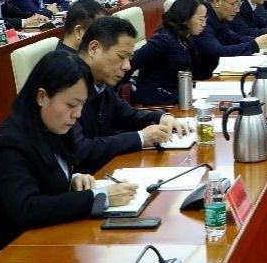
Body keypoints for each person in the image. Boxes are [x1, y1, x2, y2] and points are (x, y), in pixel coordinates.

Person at [0, 50, 138, 263]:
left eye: (82, 104)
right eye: (71, 105)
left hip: (50, 246)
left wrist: (72, 180)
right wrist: (100, 197)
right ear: (42, 96)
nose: (77, 114)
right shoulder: (9, 144)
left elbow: (45, 177)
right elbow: (27, 209)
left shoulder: (52, 128)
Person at [73, 17, 184, 172]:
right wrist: (140, 138)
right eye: (121, 57)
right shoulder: (68, 83)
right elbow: (80, 150)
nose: (127, 66)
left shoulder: (101, 82)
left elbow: (128, 116)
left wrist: (162, 117)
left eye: (129, 59)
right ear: (94, 48)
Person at [131, 0, 209, 105]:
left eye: (205, 19)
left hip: (177, 95)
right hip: (158, 100)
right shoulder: (163, 40)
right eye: (201, 19)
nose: (204, 24)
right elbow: (132, 61)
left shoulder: (184, 37)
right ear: (185, 18)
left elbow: (195, 68)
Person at [195, 0, 267, 76]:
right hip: (205, 78)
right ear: (217, 1)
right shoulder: (203, 21)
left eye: (239, 4)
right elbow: (218, 53)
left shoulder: (219, 17)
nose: (237, 10)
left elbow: (235, 38)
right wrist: (255, 45)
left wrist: (260, 41)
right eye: (234, 4)